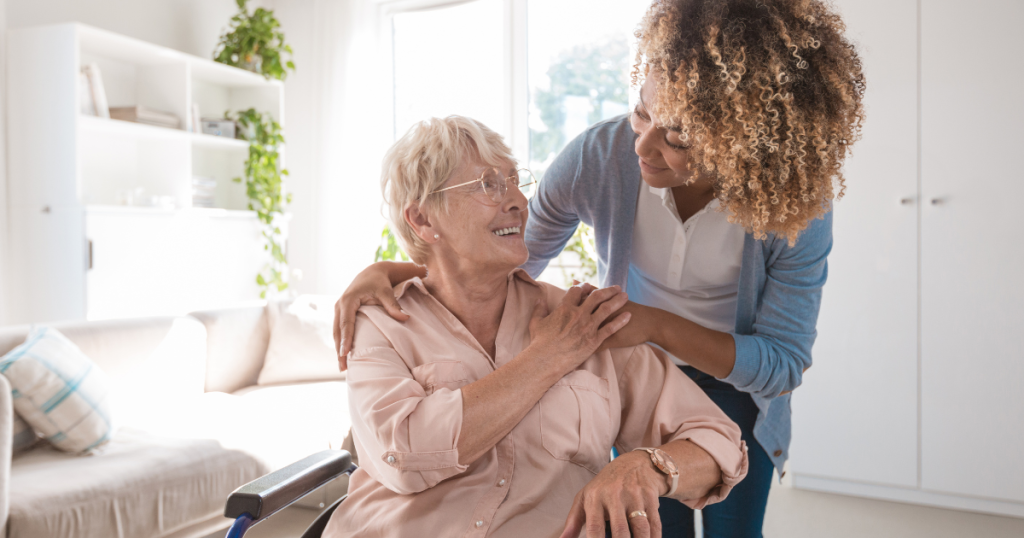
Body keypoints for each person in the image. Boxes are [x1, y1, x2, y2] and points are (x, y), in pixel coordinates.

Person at [333, 1, 864, 536]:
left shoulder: (794, 203)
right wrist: (397, 269)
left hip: (721, 377)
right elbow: (508, 255)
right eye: (641, 112)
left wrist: (652, 327)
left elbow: (783, 361)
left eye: (677, 136)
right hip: (627, 346)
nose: (642, 144)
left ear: (741, 143)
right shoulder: (602, 157)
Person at [323, 116, 748, 538]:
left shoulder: (584, 321)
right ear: (422, 220)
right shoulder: (380, 321)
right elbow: (406, 455)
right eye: (488, 184)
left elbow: (721, 443)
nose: (517, 201)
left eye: (514, 181)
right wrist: (548, 357)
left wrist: (648, 467)